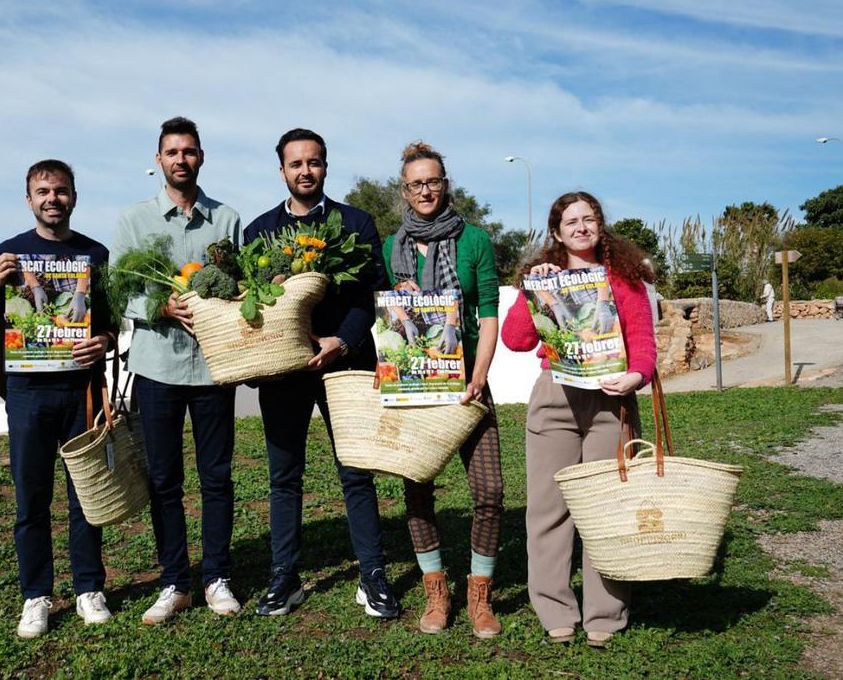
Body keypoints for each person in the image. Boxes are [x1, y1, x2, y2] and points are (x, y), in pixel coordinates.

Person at [244, 128, 401, 619]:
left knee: (356, 471)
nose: (305, 171)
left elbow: (372, 292)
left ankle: (372, 575)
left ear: (325, 167)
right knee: (283, 477)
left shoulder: (354, 221)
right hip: (285, 372)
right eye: (296, 164)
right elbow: (251, 304)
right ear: (282, 171)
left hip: (346, 362)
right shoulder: (259, 231)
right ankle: (284, 577)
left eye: (313, 162)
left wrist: (344, 340)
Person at [501, 191, 657, 648]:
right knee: (548, 508)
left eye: (589, 219)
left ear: (600, 226)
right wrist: (534, 288)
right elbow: (515, 339)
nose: (581, 227)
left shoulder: (625, 279)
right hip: (555, 399)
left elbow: (644, 342)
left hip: (611, 399)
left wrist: (635, 376)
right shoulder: (544, 279)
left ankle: (605, 614)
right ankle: (554, 609)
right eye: (571, 221)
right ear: (556, 232)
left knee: (604, 509)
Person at [0, 159, 115, 638]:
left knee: (85, 498)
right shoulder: (9, 253)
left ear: (75, 195)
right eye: (43, 191)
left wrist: (106, 341)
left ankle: (89, 587)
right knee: (31, 501)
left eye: (61, 190)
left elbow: (111, 322)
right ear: (29, 198)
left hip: (81, 393)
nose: (53, 199)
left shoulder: (95, 254)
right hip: (28, 394)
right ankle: (36, 596)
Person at [114, 117, 242, 624]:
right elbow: (120, 291)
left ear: (201, 157)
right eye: (172, 152)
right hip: (157, 368)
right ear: (159, 159)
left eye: (189, 151)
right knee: (165, 480)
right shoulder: (133, 222)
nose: (180, 159)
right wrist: (161, 308)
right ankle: (173, 581)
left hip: (214, 370)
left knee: (217, 477)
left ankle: (216, 578)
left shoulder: (226, 219)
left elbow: (240, 285)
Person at [382, 141, 503, 637]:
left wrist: (480, 373)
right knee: (418, 490)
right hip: (418, 382)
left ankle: (481, 594)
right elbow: (392, 321)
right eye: (416, 184)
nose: (425, 190)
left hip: (469, 382)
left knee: (491, 492)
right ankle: (436, 591)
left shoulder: (474, 240)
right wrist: (401, 302)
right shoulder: (395, 246)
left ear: (445, 184)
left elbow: (489, 312)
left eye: (433, 181)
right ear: (404, 191)